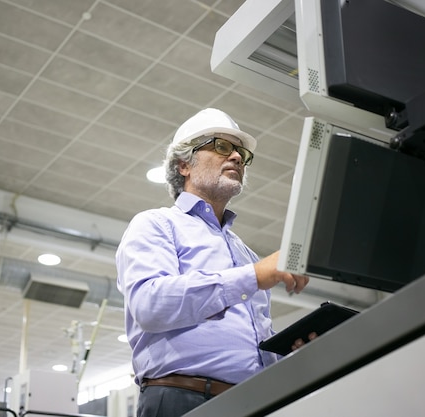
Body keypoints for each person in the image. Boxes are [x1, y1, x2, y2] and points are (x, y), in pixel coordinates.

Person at [116, 108, 310, 417]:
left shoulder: (245, 254)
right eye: (221, 146)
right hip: (183, 398)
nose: (235, 156)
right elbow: (150, 305)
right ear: (184, 165)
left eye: (241, 153)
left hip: (255, 403)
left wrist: (290, 354)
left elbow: (254, 340)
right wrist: (253, 277)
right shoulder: (156, 224)